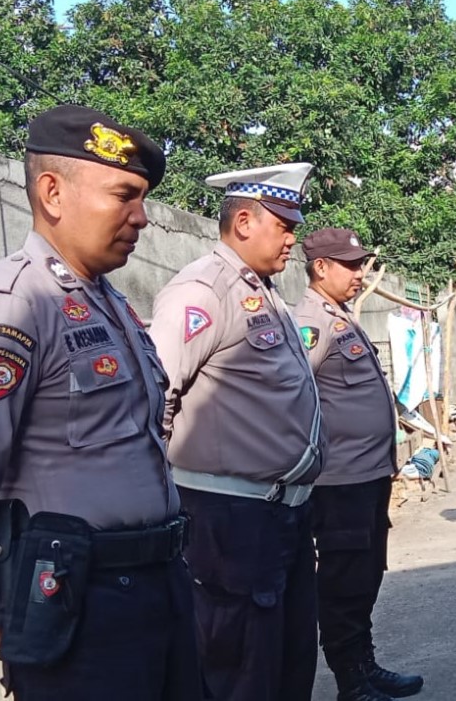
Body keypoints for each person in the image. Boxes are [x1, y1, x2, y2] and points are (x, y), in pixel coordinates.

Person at [0, 105, 198, 700]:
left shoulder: (110, 304)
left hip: (159, 586)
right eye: (124, 194)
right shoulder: (8, 306)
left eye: (142, 198)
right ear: (52, 193)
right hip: (78, 606)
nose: (141, 217)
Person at [150, 162, 324, 701]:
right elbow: (156, 397)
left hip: (280, 515)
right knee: (241, 672)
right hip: (229, 521)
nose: (293, 239)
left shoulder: (263, 290)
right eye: (284, 225)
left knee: (289, 660)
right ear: (244, 221)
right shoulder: (203, 290)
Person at [293, 228, 425, 701]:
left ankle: (365, 666)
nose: (359, 273)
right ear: (320, 267)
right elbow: (290, 392)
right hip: (339, 480)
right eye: (349, 265)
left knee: (367, 574)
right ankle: (351, 681)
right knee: (345, 580)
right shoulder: (311, 321)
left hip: (367, 476)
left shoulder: (341, 316)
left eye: (361, 264)